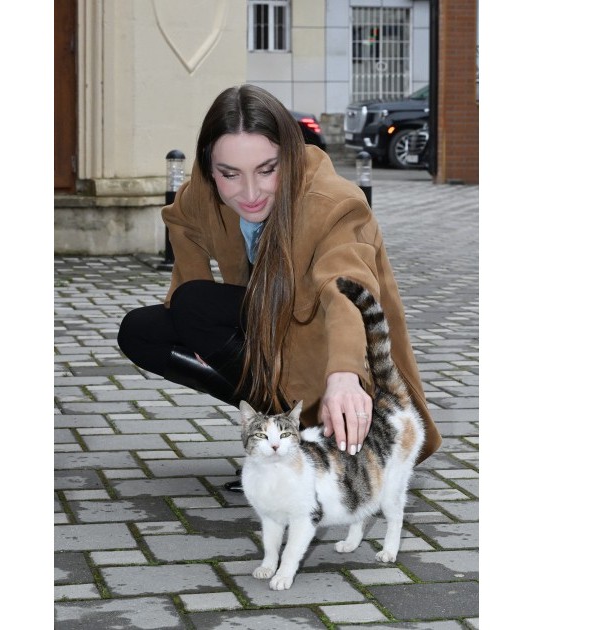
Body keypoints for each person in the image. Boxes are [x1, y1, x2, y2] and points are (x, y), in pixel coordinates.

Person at [117, 85, 441, 491]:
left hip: (334, 352)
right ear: (210, 168)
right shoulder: (203, 194)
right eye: (229, 174)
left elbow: (347, 289)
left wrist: (345, 374)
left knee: (195, 304)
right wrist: (191, 314)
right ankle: (283, 434)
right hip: (274, 331)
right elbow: (181, 218)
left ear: (289, 156)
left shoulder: (334, 202)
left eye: (267, 170)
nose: (250, 193)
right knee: (145, 329)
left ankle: (332, 450)